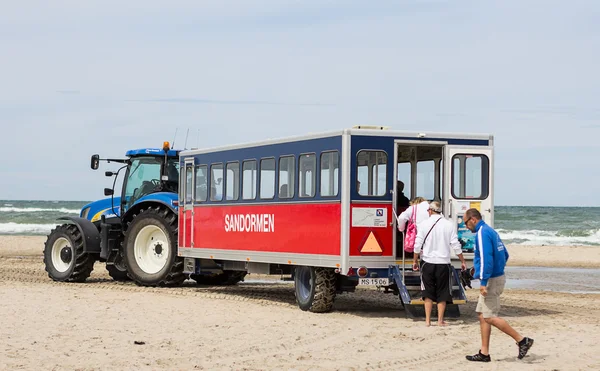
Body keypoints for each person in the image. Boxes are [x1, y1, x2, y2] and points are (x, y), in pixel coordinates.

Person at [463, 208, 534, 362]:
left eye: (465, 223)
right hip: (496, 276)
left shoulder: (482, 233)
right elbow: (505, 254)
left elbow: (487, 258)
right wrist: (498, 269)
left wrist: (483, 281)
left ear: (473, 219)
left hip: (491, 280)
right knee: (482, 315)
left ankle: (522, 340)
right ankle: (484, 353)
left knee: (489, 316)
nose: (465, 226)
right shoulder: (491, 231)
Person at [412, 201, 467, 326]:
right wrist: (462, 260)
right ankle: (440, 320)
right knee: (443, 292)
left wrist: (415, 261)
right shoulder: (448, 225)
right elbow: (455, 245)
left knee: (427, 291)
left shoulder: (423, 224)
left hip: (427, 262)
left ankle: (427, 321)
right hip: (443, 263)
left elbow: (417, 245)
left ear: (430, 211)